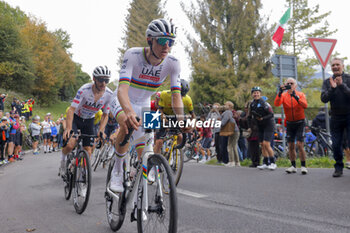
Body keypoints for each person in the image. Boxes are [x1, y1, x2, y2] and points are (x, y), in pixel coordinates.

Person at [109, 18, 183, 193]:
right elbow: (122, 90)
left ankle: (140, 177)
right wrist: (128, 112)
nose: (167, 46)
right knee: (127, 126)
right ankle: (117, 171)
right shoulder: (133, 55)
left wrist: (181, 120)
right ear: (150, 39)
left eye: (171, 42)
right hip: (123, 99)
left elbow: (176, 96)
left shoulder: (173, 62)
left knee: (148, 147)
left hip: (145, 104)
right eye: (162, 41)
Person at [60, 66, 113, 177]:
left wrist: (101, 130)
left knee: (88, 151)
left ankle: (83, 179)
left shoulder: (109, 94)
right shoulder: (84, 90)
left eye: (106, 80)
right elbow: (71, 109)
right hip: (76, 118)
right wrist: (69, 128)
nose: (103, 83)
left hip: (89, 120)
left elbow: (105, 115)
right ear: (94, 78)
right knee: (70, 144)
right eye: (100, 80)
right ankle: (63, 160)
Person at [321, 58, 350, 177]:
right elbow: (323, 98)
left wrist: (341, 85)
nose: (335, 67)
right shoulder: (327, 81)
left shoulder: (348, 78)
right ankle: (338, 167)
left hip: (349, 115)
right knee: (336, 144)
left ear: (342, 66)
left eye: (338, 64)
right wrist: (332, 89)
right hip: (335, 117)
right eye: (333, 65)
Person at [274, 78, 308, 174]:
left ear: (295, 85)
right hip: (289, 123)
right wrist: (280, 93)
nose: (290, 85)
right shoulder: (284, 95)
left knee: (300, 145)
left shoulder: (300, 94)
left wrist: (295, 97)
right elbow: (276, 104)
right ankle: (293, 165)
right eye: (288, 83)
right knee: (291, 145)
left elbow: (305, 105)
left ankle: (303, 166)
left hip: (300, 122)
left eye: (291, 83)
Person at [153, 79, 195, 154]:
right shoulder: (164, 94)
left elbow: (193, 116)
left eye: (183, 95)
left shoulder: (188, 99)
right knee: (159, 142)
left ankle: (171, 151)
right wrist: (164, 120)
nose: (181, 98)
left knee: (180, 137)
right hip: (164, 115)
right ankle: (155, 159)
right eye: (179, 95)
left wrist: (192, 125)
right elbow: (160, 111)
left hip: (176, 116)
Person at [249, 87, 276, 170]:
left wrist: (262, 118)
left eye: (257, 92)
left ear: (260, 94)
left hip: (268, 125)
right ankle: (265, 162)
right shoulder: (252, 104)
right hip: (260, 126)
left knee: (266, 144)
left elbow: (271, 114)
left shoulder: (264, 103)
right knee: (262, 145)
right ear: (252, 94)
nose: (256, 94)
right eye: (254, 93)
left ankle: (273, 162)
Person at [220, 101, 240, 167]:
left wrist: (218, 123)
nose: (224, 105)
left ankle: (232, 161)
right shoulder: (231, 112)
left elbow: (224, 121)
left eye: (226, 105)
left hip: (232, 130)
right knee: (234, 146)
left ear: (229, 106)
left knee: (230, 146)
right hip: (236, 130)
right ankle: (237, 162)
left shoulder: (227, 112)